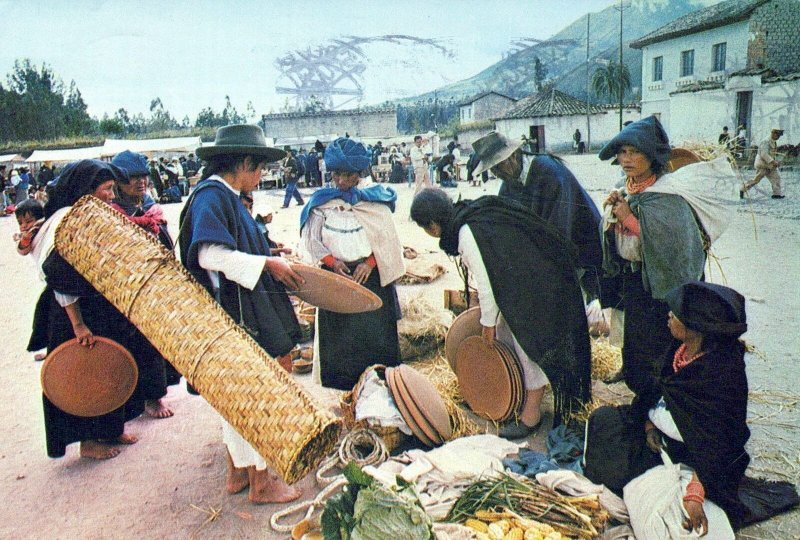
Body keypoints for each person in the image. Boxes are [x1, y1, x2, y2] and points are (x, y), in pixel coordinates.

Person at [179, 124, 304, 504]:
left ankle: (237, 474)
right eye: (260, 167)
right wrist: (267, 264)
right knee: (251, 396)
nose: (261, 175)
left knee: (233, 396)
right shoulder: (212, 197)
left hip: (241, 307)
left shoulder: (227, 196)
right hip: (234, 315)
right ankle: (261, 483)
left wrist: (269, 254)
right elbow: (209, 255)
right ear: (244, 162)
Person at [410, 188, 591, 433]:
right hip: (536, 276)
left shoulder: (465, 233)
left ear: (432, 226)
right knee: (513, 336)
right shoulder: (469, 213)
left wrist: (487, 325)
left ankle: (531, 415)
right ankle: (518, 396)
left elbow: (487, 285)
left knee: (528, 345)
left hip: (537, 286)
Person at [584, 282, 754, 535]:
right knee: (602, 421)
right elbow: (655, 393)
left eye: (674, 315)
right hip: (660, 439)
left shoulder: (722, 374)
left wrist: (696, 491)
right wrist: (649, 425)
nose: (668, 317)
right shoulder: (679, 349)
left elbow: (723, 442)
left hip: (695, 456)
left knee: (628, 478)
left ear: (695, 329)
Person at [598, 115, 730, 395]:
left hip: (663, 288)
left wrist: (629, 219)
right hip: (637, 281)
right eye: (622, 152)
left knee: (659, 343)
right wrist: (613, 215)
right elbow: (621, 237)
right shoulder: (628, 190)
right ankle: (640, 387)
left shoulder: (668, 197)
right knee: (635, 340)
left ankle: (661, 396)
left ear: (652, 157)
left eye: (635, 152)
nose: (627, 158)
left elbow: (671, 247)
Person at [32, 159, 139, 459]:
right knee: (81, 372)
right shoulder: (66, 221)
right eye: (106, 189)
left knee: (108, 365)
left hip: (95, 305)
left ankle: (110, 429)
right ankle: (87, 442)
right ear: (85, 190)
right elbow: (60, 277)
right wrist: (78, 324)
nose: (112, 196)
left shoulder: (87, 216)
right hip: (71, 311)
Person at [300, 137, 405, 390]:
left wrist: (369, 263)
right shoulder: (323, 203)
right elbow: (311, 240)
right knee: (341, 343)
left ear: (359, 174)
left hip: (370, 278)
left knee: (374, 338)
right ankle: (347, 393)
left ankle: (378, 390)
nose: (340, 181)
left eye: (346, 175)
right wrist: (331, 262)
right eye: (335, 175)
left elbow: (387, 240)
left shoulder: (375, 200)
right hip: (337, 279)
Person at [472, 131, 603, 305]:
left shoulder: (549, 172)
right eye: (492, 169)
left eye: (497, 166)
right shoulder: (508, 184)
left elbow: (558, 230)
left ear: (512, 156)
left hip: (581, 247)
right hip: (549, 252)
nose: (496, 173)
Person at [110, 150, 181, 418]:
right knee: (133, 344)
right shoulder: (114, 213)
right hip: (127, 289)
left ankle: (155, 396)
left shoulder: (151, 208)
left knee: (155, 343)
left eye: (143, 177)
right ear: (118, 182)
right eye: (132, 178)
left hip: (156, 285)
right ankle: (139, 399)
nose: (140, 183)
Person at [740, 128, 785, 199]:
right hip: (762, 164)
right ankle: (743, 189)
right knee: (756, 180)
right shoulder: (765, 141)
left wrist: (776, 161)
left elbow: (772, 154)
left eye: (779, 136)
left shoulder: (773, 141)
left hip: (770, 165)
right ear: (773, 133)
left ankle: (777, 194)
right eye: (777, 135)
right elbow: (764, 154)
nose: (778, 137)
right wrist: (773, 161)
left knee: (776, 178)